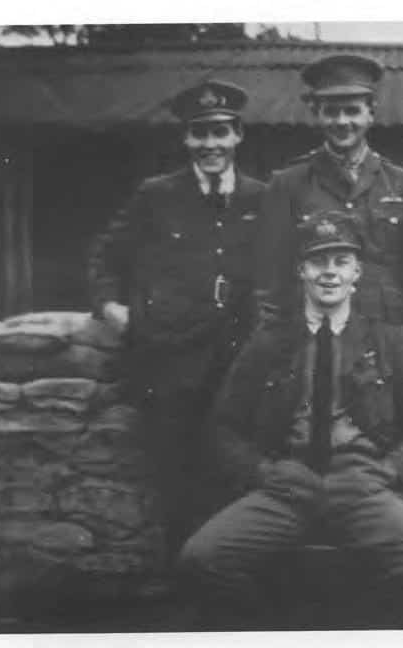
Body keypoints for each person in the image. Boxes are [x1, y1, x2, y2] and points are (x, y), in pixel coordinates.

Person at [179, 212, 403, 629]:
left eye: (341, 261)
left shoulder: (388, 339)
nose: (330, 272)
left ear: (357, 272)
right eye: (318, 261)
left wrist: (390, 470)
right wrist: (263, 472)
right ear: (301, 270)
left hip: (362, 482)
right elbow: (222, 427)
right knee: (201, 558)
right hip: (288, 482)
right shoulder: (270, 341)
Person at [87, 79, 267, 558]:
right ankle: (182, 578)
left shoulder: (261, 197)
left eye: (220, 132)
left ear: (237, 135)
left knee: (236, 474)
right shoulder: (157, 195)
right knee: (176, 480)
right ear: (186, 139)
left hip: (238, 365)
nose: (210, 144)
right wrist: (111, 308)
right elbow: (106, 257)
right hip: (171, 365)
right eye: (199, 133)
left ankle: (229, 573)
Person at [254, 54, 403, 340]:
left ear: (371, 113)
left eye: (352, 111)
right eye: (331, 112)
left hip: (385, 330)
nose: (342, 121)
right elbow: (273, 279)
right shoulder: (288, 184)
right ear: (317, 114)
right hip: (313, 332)